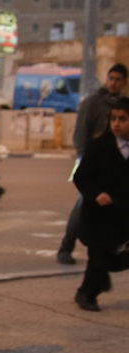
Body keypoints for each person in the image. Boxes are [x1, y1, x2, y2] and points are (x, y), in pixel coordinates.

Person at [58, 63, 128, 264]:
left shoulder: (123, 105)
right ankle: (66, 247)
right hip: (92, 162)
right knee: (83, 203)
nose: (114, 83)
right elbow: (81, 132)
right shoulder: (93, 103)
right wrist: (82, 157)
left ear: (124, 82)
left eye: (118, 79)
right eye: (111, 78)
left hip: (116, 166)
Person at [72, 96, 129, 311]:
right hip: (99, 215)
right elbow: (81, 177)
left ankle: (102, 274)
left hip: (122, 214)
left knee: (113, 259)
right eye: (113, 119)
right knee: (99, 255)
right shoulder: (99, 146)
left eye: (122, 119)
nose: (116, 123)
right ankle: (87, 294)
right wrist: (96, 194)